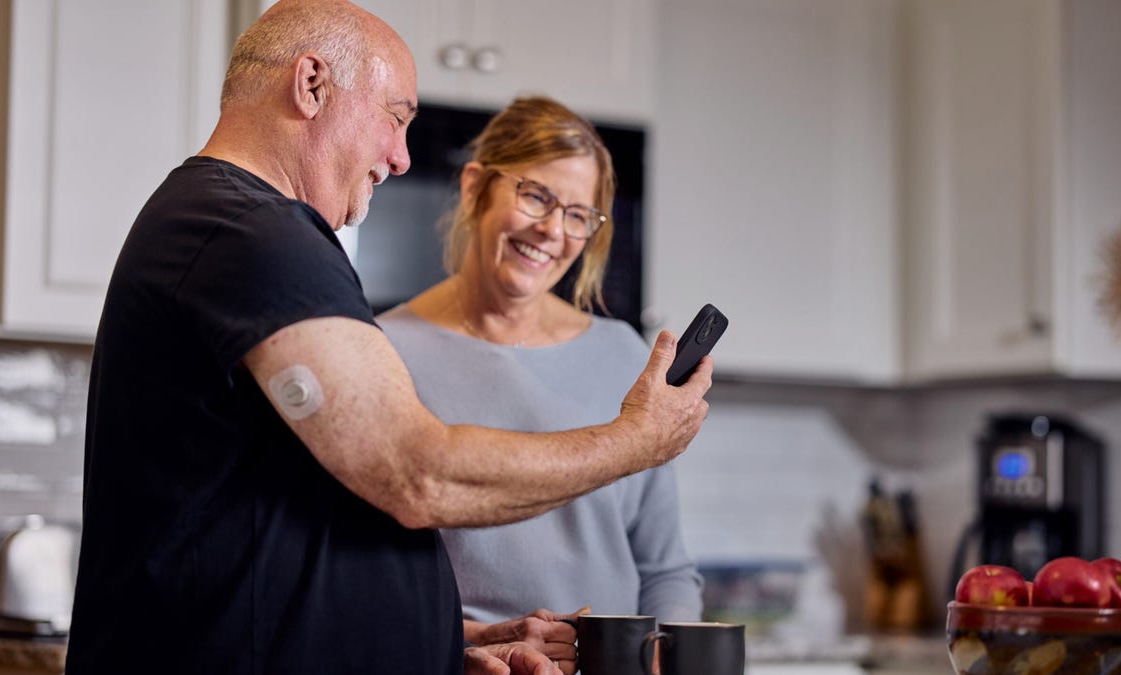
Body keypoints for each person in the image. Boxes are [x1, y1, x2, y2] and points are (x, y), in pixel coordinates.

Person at [64, 2, 712, 674]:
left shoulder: (230, 223)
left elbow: (295, 531)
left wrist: (441, 638)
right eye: (396, 117)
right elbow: (417, 471)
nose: (401, 158)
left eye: (578, 214)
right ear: (311, 84)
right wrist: (635, 440)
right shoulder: (251, 232)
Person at [376, 97, 703, 673]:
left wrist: (665, 658)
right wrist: (466, 646)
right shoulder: (381, 350)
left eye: (579, 215)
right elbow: (363, 585)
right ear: (476, 186)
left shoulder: (625, 354)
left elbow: (665, 570)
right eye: (536, 196)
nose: (553, 230)